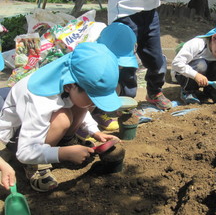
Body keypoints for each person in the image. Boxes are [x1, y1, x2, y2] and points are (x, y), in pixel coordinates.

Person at [0, 42, 124, 192]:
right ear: (70, 85)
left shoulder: (70, 76)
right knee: (63, 117)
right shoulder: (39, 99)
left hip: (41, 124)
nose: (95, 104)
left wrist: (94, 131)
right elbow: (25, 151)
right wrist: (62, 154)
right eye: (93, 97)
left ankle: (65, 142)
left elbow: (80, 105)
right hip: (20, 137)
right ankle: (36, 166)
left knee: (80, 105)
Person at [107, 0, 172, 110]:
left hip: (150, 10)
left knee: (155, 57)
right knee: (126, 61)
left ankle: (154, 92)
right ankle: (126, 103)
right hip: (124, 10)